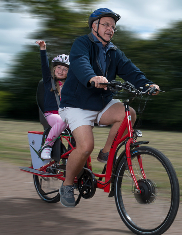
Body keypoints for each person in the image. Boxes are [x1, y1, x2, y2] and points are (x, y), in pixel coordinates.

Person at [58, 8, 160, 207]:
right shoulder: (82, 43)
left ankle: (106, 153)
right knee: (85, 146)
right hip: (76, 105)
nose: (110, 29)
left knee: (128, 113)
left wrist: (147, 84)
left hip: (100, 104)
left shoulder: (114, 52)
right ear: (94, 25)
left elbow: (131, 71)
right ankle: (68, 185)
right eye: (106, 24)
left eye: (113, 27)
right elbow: (80, 63)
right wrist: (92, 77)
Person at [36, 40, 70, 160]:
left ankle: (74, 152)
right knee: (62, 121)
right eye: (59, 68)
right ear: (54, 68)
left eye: (65, 69)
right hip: (50, 115)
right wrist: (43, 49)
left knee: (82, 126)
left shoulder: (69, 86)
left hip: (65, 115)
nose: (61, 71)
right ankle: (47, 146)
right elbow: (44, 65)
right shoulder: (48, 82)